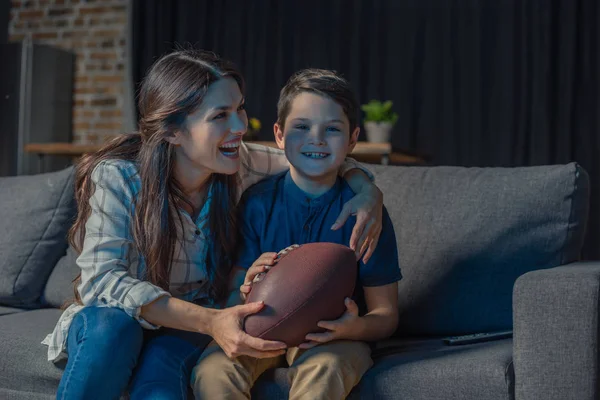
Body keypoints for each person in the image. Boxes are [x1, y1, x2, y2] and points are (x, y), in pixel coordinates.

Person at [42, 51, 384, 400]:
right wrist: (209, 321)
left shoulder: (240, 164)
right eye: (220, 115)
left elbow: (315, 155)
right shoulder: (120, 177)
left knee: (160, 386)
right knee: (111, 328)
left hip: (186, 329)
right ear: (173, 131)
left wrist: (366, 189)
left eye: (239, 109)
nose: (240, 127)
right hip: (121, 320)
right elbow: (103, 280)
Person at [191, 69, 401, 400]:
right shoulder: (258, 202)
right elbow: (232, 295)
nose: (316, 139)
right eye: (301, 127)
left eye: (332, 129)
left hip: (335, 339)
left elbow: (386, 315)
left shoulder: (365, 214)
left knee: (325, 370)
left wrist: (354, 327)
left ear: (352, 139)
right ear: (279, 134)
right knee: (212, 372)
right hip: (264, 328)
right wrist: (246, 288)